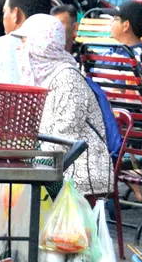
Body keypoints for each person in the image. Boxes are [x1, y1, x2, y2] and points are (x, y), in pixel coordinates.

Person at [14, 16, 114, 198]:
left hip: (76, 170)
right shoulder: (40, 79)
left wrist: (29, 163)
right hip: (52, 163)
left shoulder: (68, 79)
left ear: (41, 45)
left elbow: (64, 137)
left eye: (24, 40)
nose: (19, 48)